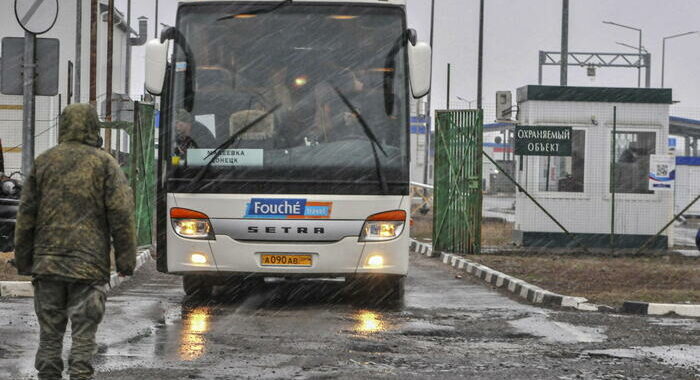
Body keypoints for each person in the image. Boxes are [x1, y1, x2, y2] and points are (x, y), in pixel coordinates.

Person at [14, 104, 136, 380]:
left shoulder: (45, 162)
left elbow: (26, 215)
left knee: (49, 337)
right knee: (83, 336)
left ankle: (48, 375)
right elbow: (121, 215)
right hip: (88, 266)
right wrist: (126, 261)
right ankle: (80, 374)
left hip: (48, 265)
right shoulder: (105, 164)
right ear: (94, 127)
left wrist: (24, 260)